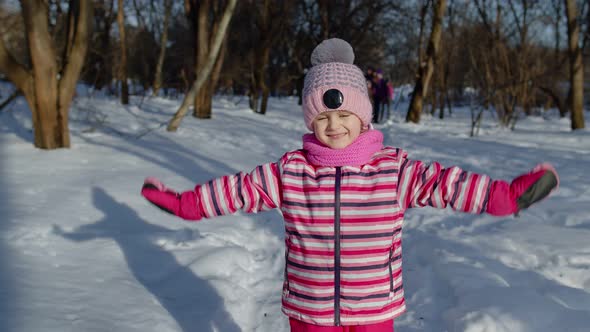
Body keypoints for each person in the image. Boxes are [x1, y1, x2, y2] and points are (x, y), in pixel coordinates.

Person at [141, 38, 559, 332]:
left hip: (374, 307)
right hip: (310, 309)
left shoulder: (392, 170)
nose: (333, 126)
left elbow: (448, 184)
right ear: (310, 120)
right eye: (322, 118)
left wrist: (502, 197)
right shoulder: (291, 172)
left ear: (363, 116)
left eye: (343, 116)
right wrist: (186, 205)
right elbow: (236, 190)